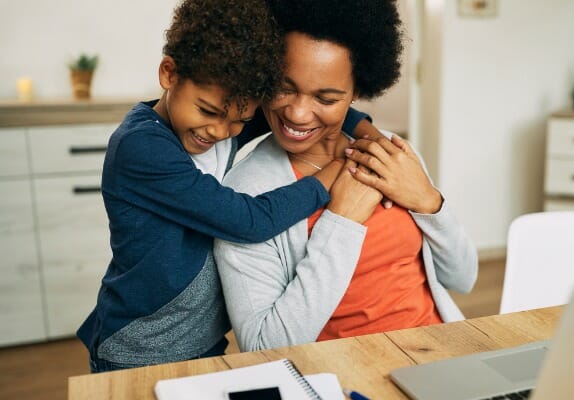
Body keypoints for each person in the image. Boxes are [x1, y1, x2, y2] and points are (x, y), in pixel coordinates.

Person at [77, 0, 380, 372]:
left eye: (240, 121)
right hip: (140, 349)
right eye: (208, 111)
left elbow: (308, 103)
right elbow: (249, 221)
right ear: (169, 74)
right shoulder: (142, 148)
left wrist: (368, 133)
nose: (220, 132)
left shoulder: (227, 109)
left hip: (205, 343)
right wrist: (334, 171)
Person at [214, 0, 478, 351]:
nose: (297, 112)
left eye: (326, 98)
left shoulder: (394, 159)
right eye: (284, 87)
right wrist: (342, 220)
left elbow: (463, 278)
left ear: (357, 94)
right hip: (347, 376)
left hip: (440, 356)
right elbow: (263, 347)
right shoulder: (245, 196)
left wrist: (429, 201)